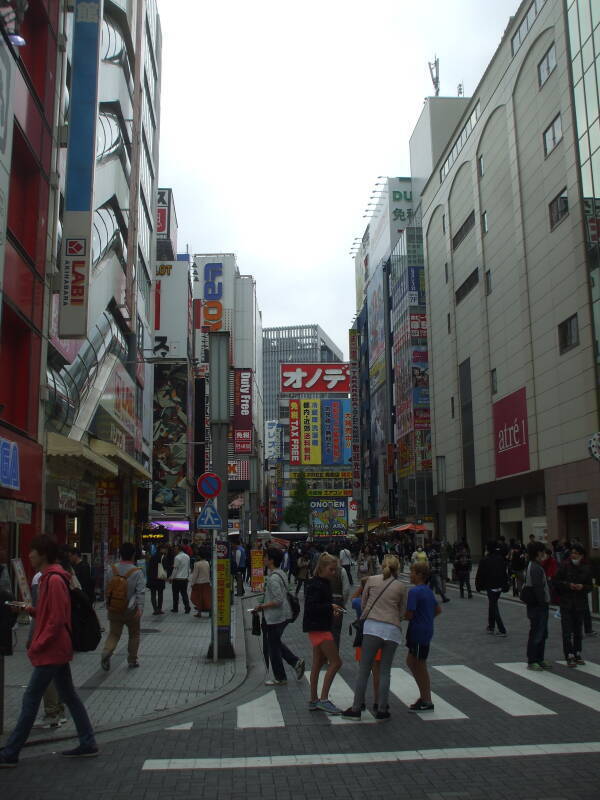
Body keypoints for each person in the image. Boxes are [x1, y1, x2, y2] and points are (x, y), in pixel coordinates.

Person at [0, 535, 98, 767]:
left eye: (33, 551)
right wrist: (29, 609)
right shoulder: (49, 578)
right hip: (57, 648)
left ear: (43, 554)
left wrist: (38, 643)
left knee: (31, 698)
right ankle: (88, 741)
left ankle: (11, 751)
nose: (30, 555)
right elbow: (49, 613)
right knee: (69, 696)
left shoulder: (53, 580)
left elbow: (56, 619)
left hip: (53, 649)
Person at [342, 555, 407, 721]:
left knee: (364, 669)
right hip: (392, 629)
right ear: (397, 568)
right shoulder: (400, 586)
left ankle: (356, 708)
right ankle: (382, 709)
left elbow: (363, 604)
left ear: (381, 565)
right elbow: (402, 612)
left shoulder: (371, 580)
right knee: (385, 671)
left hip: (372, 628)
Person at [254, 548, 304, 686]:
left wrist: (261, 607)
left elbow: (278, 600)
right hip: (282, 615)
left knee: (273, 647)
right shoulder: (281, 573)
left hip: (276, 617)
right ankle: (295, 663)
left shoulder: (273, 578)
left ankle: (281, 677)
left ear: (271, 560)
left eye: (265, 556)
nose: (263, 559)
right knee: (274, 643)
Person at [303, 553, 343, 714]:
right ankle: (324, 699)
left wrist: (330, 608)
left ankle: (314, 699)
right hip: (319, 628)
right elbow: (312, 607)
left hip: (316, 627)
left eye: (335, 570)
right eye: (331, 569)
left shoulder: (318, 583)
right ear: (322, 568)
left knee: (318, 663)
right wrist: (330, 607)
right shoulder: (319, 585)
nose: (333, 573)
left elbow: (315, 606)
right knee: (336, 662)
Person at [101, 542, 145, 670]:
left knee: (114, 634)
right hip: (131, 610)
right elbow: (140, 592)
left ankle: (107, 651)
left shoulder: (111, 569)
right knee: (134, 634)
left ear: (120, 554)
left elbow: (106, 587)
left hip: (114, 608)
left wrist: (108, 604)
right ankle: (132, 660)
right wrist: (140, 608)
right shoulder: (137, 572)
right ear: (133, 555)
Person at [404, 562, 441, 712]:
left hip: (418, 631)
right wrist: (427, 618)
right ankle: (424, 696)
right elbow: (438, 610)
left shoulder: (414, 592)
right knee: (412, 661)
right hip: (425, 630)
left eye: (412, 572)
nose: (410, 574)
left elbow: (409, 614)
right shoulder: (427, 590)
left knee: (419, 664)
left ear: (420, 575)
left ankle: (426, 699)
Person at [553, 543, 593, 666]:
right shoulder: (564, 566)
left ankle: (577, 652)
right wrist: (568, 585)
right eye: (572, 553)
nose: (573, 555)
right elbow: (556, 581)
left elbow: (590, 586)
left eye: (576, 553)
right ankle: (569, 654)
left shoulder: (586, 567)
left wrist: (583, 587)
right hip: (566, 603)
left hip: (580, 603)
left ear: (581, 555)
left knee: (578, 630)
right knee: (567, 631)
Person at [350, 578, 381, 712]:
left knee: (363, 671)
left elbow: (352, 598)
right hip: (376, 635)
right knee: (377, 670)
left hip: (362, 637)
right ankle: (377, 701)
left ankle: (360, 701)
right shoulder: (377, 602)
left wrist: (361, 589)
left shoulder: (358, 603)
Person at [522, 542, 552, 671]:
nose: (543, 553)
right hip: (538, 606)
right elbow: (538, 589)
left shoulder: (536, 565)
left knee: (542, 632)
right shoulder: (534, 567)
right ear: (537, 552)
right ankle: (533, 660)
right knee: (537, 633)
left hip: (539, 605)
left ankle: (539, 658)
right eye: (542, 551)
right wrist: (543, 603)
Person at [475, 541, 508, 636]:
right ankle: (491, 626)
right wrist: (505, 585)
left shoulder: (485, 560)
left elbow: (480, 574)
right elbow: (504, 573)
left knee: (494, 607)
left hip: (490, 586)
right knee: (492, 604)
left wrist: (478, 586)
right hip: (499, 586)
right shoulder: (500, 559)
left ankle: (502, 629)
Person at [327, 559, 351, 650]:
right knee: (335, 630)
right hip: (337, 600)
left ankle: (325, 654)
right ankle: (334, 653)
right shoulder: (341, 570)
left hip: (325, 600)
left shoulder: (324, 569)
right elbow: (346, 589)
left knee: (325, 629)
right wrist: (343, 602)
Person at [169, 543, 191, 613]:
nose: (174, 550)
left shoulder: (177, 557)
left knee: (175, 594)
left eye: (175, 549)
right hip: (184, 579)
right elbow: (188, 568)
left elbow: (175, 569)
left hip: (177, 579)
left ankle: (175, 608)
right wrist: (187, 576)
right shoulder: (187, 556)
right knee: (184, 594)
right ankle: (187, 608)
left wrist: (171, 578)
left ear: (179, 549)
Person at [189, 548, 211, 617]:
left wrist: (192, 583)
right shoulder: (207, 563)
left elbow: (195, 575)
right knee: (207, 598)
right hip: (206, 583)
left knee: (198, 598)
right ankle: (210, 612)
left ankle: (199, 613)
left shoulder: (197, 564)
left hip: (199, 583)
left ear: (199, 556)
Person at [147, 545, 167, 615]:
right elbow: (165, 568)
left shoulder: (152, 557)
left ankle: (155, 610)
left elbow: (149, 568)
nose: (165, 550)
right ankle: (159, 609)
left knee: (153, 594)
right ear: (161, 549)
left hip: (152, 578)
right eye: (164, 549)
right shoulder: (163, 557)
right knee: (160, 594)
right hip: (160, 577)